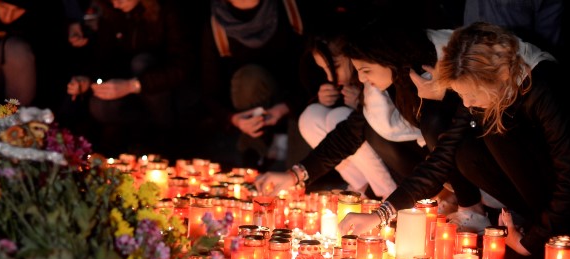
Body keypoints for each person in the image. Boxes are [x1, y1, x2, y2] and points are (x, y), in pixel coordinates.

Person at [339, 22, 570, 259]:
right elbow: (441, 158)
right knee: (466, 138)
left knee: (492, 131)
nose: (467, 104)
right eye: (461, 95)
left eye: (470, 94)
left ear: (499, 76)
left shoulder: (544, 87)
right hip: (542, 201)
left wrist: (533, 241)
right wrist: (379, 214)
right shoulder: (487, 89)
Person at [256, 21, 485, 215]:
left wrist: (385, 212)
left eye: (365, 71)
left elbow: (449, 140)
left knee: (429, 122)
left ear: (385, 58)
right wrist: (295, 175)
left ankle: (469, 208)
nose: (363, 79)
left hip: (474, 163)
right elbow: (349, 133)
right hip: (434, 167)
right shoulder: (387, 86)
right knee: (355, 122)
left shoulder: (431, 72)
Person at [65, 0, 193, 154]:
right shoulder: (113, 13)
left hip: (169, 97)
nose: (115, 4)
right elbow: (103, 60)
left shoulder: (169, 11)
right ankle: (134, 145)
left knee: (141, 63)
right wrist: (88, 81)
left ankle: (166, 144)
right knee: (99, 104)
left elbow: (182, 68)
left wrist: (133, 85)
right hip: (130, 98)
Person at [200, 0, 307, 168]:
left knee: (303, 177)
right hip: (250, 109)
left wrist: (283, 108)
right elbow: (210, 90)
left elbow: (315, 71)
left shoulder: (291, 9)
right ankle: (254, 157)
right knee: (249, 78)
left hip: (300, 105)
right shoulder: (216, 23)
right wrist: (234, 119)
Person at [297, 31, 396, 198]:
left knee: (339, 117)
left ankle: (388, 194)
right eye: (324, 69)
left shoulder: (377, 76)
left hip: (393, 158)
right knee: (310, 116)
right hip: (358, 145)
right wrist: (324, 99)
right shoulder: (342, 82)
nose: (330, 77)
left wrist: (362, 103)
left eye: (334, 67)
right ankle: (360, 188)